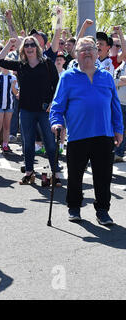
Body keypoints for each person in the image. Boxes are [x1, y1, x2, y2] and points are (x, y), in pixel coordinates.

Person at [50, 36, 124, 225]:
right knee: (75, 175)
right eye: (83, 50)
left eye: (91, 48)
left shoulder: (106, 77)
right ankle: (74, 208)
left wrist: (119, 129)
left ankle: (102, 210)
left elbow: (115, 106)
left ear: (97, 52)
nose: (87, 52)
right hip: (78, 135)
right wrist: (56, 123)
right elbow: (57, 106)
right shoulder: (68, 77)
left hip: (104, 134)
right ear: (76, 54)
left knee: (103, 176)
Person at [0, 37, 60, 186]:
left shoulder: (47, 63)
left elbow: (57, 85)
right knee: (28, 143)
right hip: (26, 110)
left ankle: (56, 174)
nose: (29, 47)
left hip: (45, 110)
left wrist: (52, 103)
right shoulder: (21, 65)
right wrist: (9, 44)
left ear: (37, 47)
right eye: (26, 45)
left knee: (50, 143)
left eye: (32, 45)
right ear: (23, 49)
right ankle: (29, 173)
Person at [0, 66, 19, 155]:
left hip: (9, 105)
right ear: (0, 67)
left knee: (7, 126)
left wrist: (13, 86)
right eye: (2, 66)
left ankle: (5, 145)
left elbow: (16, 93)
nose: (5, 67)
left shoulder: (13, 77)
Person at [114, 59, 126, 162]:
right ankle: (119, 153)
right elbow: (113, 81)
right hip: (120, 102)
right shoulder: (121, 65)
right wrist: (121, 80)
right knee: (121, 129)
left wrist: (121, 79)